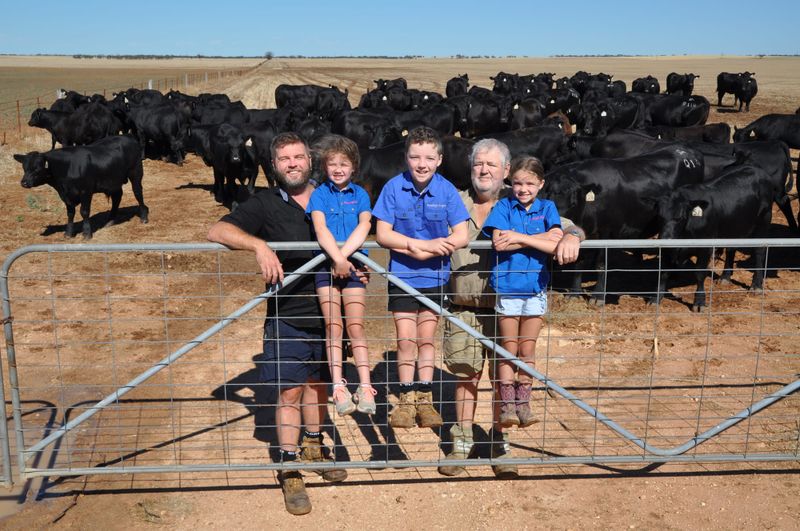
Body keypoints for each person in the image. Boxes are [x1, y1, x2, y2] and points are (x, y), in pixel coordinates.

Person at [207, 132, 345, 516]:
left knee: (319, 384)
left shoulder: (332, 194)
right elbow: (217, 230)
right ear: (274, 165)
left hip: (333, 314)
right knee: (289, 392)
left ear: (309, 160)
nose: (293, 164)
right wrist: (259, 245)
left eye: (298, 156)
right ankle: (289, 465)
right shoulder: (266, 203)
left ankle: (315, 444)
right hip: (288, 314)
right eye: (284, 159)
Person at [439, 143, 584, 479]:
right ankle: (462, 440)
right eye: (478, 163)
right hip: (465, 305)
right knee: (465, 374)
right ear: (470, 167)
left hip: (511, 306)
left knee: (507, 366)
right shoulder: (454, 201)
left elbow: (569, 226)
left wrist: (572, 237)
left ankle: (498, 441)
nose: (484, 170)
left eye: (491, 164)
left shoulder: (520, 198)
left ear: (506, 170)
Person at [372, 126, 470, 429]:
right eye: (415, 157)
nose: (421, 163)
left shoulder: (447, 190)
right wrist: (417, 246)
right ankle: (405, 398)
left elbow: (462, 235)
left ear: (439, 159)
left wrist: (437, 249)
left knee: (427, 339)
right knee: (405, 339)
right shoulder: (392, 188)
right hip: (402, 276)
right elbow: (382, 234)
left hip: (436, 276)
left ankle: (425, 398)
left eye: (429, 157)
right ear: (406, 158)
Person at [485, 155, 563, 435]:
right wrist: (537, 242)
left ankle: (524, 402)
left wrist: (519, 237)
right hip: (508, 287)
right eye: (517, 183)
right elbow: (498, 242)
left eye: (529, 183)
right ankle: (507, 405)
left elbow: (556, 242)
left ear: (541, 184)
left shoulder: (548, 208)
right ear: (510, 182)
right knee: (509, 347)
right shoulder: (504, 206)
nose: (523, 189)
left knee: (527, 349)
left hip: (535, 288)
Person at [306, 134, 377, 416]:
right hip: (327, 265)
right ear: (324, 167)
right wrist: (337, 259)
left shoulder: (360, 194)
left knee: (356, 327)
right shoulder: (319, 194)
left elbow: (365, 226)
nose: (338, 169)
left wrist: (344, 259)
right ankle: (338, 385)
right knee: (333, 326)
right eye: (332, 164)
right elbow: (320, 228)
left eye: (344, 164)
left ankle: (365, 385)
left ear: (353, 167)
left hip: (353, 265)